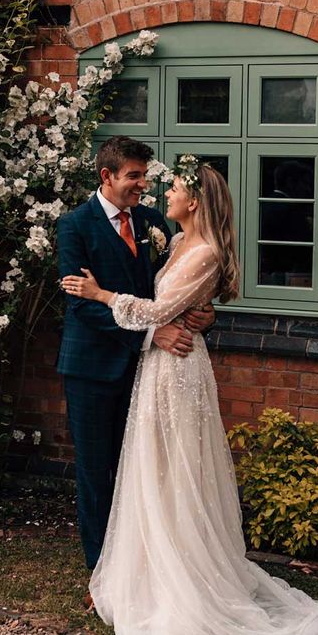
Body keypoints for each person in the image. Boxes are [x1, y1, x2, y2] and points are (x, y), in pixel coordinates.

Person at [61, 156, 318, 635]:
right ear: (108, 178)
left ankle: (183, 580)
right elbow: (162, 301)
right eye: (141, 179)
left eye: (173, 187)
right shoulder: (168, 238)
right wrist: (183, 315)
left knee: (176, 472)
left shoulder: (198, 248)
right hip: (147, 366)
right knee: (144, 471)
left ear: (195, 202)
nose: (158, 191)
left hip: (175, 373)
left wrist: (102, 292)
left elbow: (153, 309)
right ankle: (126, 573)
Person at [56, 137, 214, 578]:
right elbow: (82, 306)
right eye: (134, 176)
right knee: (96, 473)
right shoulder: (74, 226)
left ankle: (143, 566)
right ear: (106, 176)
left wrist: (205, 314)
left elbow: (172, 290)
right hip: (92, 368)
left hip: (148, 372)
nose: (143, 185)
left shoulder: (151, 222)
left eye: (145, 176)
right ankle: (102, 572)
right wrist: (151, 335)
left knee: (143, 468)